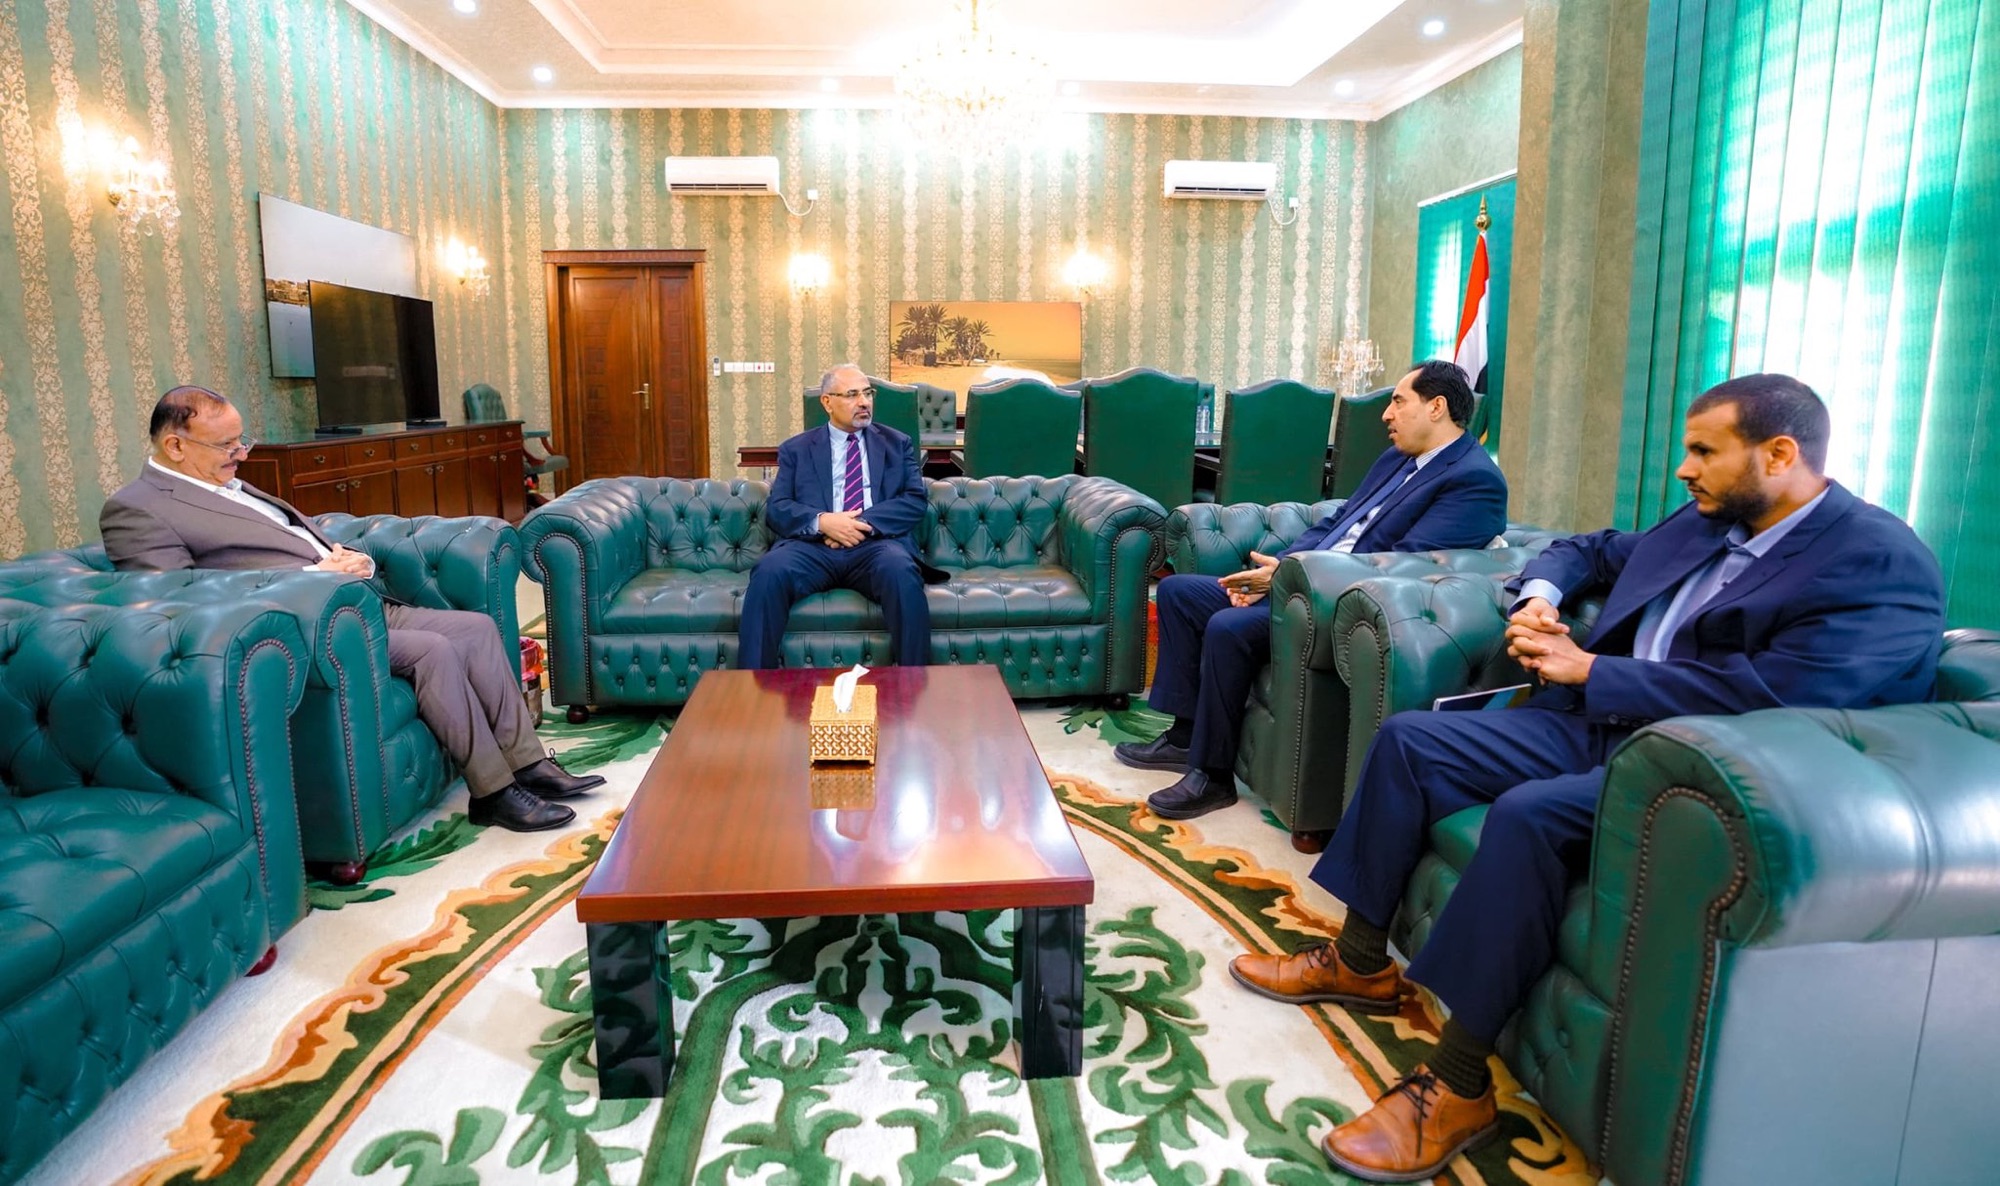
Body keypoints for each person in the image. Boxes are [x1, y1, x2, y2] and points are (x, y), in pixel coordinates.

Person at [1227, 374, 1945, 1182]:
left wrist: (1593, 669)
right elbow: (1590, 548)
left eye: (1704, 451)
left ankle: (1457, 1086)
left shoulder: (1877, 561)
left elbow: (1784, 699)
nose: (1684, 469)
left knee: (1529, 816)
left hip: (1701, 770)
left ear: (1779, 455)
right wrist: (1539, 596)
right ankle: (1360, 961)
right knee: (1412, 742)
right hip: (1597, 724)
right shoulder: (1713, 518)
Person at [100, 386, 603, 834]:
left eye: (242, 440)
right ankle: (493, 794)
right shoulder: (138, 509)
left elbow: (287, 540)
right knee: (433, 650)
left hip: (352, 601)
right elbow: (179, 601)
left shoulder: (220, 481)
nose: (242, 454)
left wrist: (347, 557)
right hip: (304, 628)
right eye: (228, 446)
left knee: (475, 629)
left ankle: (528, 764)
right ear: (176, 445)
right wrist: (311, 576)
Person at [1119, 360, 1509, 820]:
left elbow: (1403, 567)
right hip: (1305, 583)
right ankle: (1185, 738)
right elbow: (1336, 523)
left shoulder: (1473, 480)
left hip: (1346, 605)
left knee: (1227, 627)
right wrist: (1281, 568)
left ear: (1436, 407)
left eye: (1398, 401)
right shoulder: (1397, 458)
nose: (1386, 414)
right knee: (1179, 593)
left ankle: (1212, 777)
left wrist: (1289, 579)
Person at [737, 363, 947, 669]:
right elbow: (778, 508)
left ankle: (915, 684)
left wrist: (856, 525)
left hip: (875, 546)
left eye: (867, 393)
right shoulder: (796, 449)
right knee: (769, 572)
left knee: (901, 571)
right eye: (852, 395)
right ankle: (751, 687)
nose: (864, 402)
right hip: (812, 548)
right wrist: (823, 522)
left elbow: (914, 500)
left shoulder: (896, 443)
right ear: (827, 402)